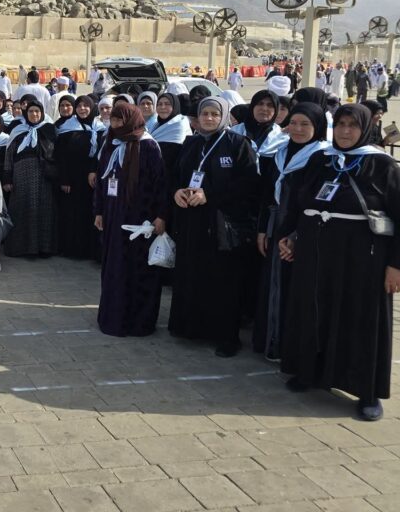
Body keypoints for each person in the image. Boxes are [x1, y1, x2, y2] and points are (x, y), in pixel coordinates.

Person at [278, 104, 400, 421]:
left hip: (363, 261)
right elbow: (301, 201)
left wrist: (395, 265)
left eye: (352, 126)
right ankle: (310, 372)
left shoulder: (382, 166)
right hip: (317, 255)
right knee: (313, 311)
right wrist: (291, 235)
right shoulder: (322, 159)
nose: (345, 131)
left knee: (361, 320)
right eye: (341, 124)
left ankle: (367, 391)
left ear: (366, 128)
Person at [169, 96, 258, 357]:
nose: (208, 118)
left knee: (222, 280)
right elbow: (176, 175)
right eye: (204, 114)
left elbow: (248, 184)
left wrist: (210, 194)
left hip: (222, 223)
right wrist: (176, 192)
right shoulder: (191, 143)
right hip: (192, 221)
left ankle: (225, 336)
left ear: (224, 116)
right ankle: (191, 327)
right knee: (192, 274)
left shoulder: (238, 144)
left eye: (214, 114)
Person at [253, 103, 330, 361]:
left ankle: (288, 345)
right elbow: (266, 194)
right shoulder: (280, 151)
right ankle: (270, 340)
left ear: (317, 127)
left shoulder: (323, 157)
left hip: (302, 232)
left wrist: (296, 235)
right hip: (276, 224)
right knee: (272, 285)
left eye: (305, 124)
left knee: (293, 288)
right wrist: (263, 229)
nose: (297, 129)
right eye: (294, 122)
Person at [93, 103, 167, 336]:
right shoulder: (111, 143)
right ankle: (113, 317)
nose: (115, 125)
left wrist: (161, 216)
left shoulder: (148, 146)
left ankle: (138, 321)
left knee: (138, 270)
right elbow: (102, 181)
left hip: (140, 219)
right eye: (113, 120)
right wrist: (99, 211)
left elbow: (161, 185)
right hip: (114, 218)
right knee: (115, 267)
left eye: (119, 120)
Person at [2, 99, 58, 259]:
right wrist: (7, 178)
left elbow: (56, 154)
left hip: (44, 180)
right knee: (23, 209)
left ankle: (43, 248)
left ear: (42, 113)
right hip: (21, 179)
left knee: (43, 211)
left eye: (37, 111)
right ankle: (24, 248)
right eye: (31, 111)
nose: (34, 114)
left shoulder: (49, 129)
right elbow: (9, 155)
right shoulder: (17, 130)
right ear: (26, 113)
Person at [55, 95, 101, 261]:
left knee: (90, 213)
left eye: (85, 106)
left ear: (91, 107)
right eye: (79, 106)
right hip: (73, 179)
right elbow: (61, 156)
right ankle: (72, 250)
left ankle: (89, 250)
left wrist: (94, 170)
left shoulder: (101, 128)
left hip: (92, 178)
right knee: (72, 214)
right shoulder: (68, 128)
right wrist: (64, 179)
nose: (82, 109)